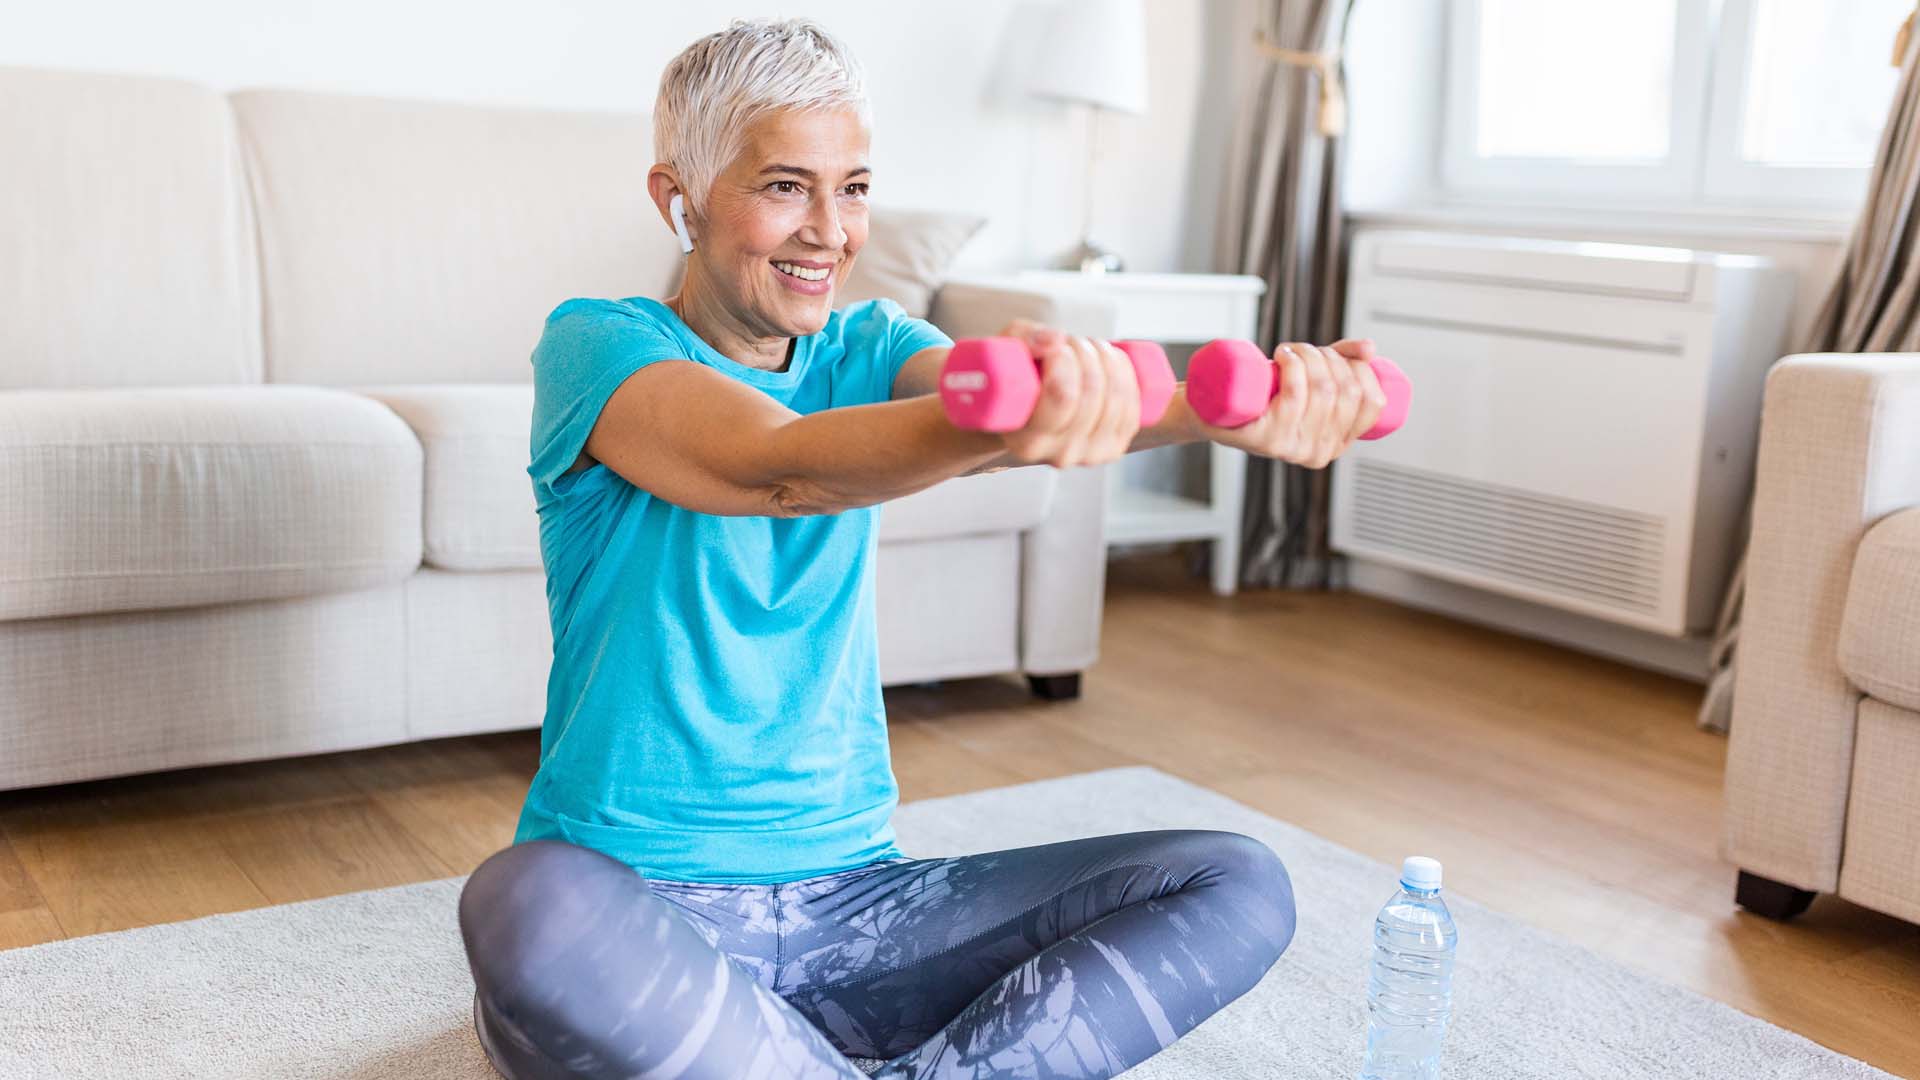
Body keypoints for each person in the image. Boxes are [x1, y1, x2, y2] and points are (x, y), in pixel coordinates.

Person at [458, 17, 1387, 1080]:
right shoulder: (599, 344)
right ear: (679, 200)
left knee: (1234, 882)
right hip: (635, 907)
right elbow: (781, 467)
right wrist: (1003, 422)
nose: (830, 232)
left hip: (860, 912)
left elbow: (966, 406)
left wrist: (1224, 414)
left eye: (853, 188)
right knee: (522, 901)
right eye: (784, 187)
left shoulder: (876, 341)